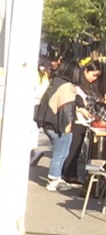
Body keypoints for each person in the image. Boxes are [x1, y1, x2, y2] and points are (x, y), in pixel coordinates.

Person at [36, 62, 82, 191]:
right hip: (58, 124)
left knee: (59, 151)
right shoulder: (67, 87)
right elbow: (66, 109)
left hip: (47, 121)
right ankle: (54, 179)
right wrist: (68, 127)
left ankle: (55, 177)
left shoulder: (56, 82)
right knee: (61, 152)